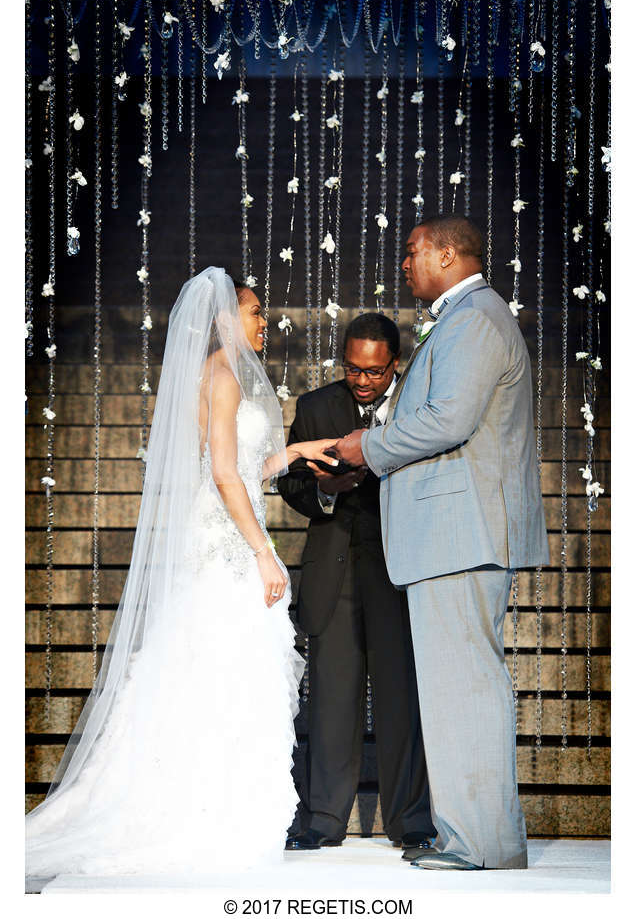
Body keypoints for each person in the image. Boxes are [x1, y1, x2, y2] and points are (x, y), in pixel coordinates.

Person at [26, 268, 339, 887]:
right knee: (220, 655)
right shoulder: (222, 375)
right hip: (225, 538)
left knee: (225, 660)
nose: (263, 322)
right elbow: (224, 475)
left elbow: (250, 466)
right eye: (254, 313)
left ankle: (225, 796)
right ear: (225, 318)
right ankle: (202, 805)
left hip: (232, 525)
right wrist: (262, 552)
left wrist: (300, 452)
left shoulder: (233, 378)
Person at [335, 216, 550, 871]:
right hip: (452, 533)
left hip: (463, 532)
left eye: (412, 252)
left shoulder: (476, 318)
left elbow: (450, 419)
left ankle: (480, 843)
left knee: (466, 689)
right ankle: (474, 837)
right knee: (459, 689)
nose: (405, 264)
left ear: (448, 254)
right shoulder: (463, 318)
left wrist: (367, 447)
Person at [278, 313, 435, 853]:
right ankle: (322, 819)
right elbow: (291, 484)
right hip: (336, 564)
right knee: (332, 700)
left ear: (394, 364)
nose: (362, 380)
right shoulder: (316, 406)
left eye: (374, 371)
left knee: (402, 700)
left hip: (400, 568)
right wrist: (330, 490)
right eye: (352, 369)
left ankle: (411, 821)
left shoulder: (420, 404)